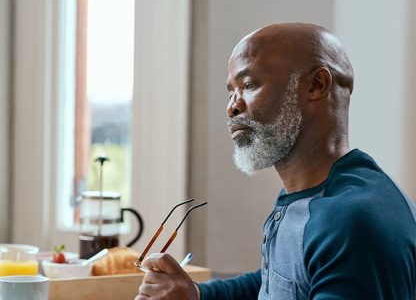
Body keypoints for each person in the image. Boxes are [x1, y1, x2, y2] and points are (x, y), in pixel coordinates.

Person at [135, 23, 416, 299]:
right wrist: (196, 294)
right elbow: (281, 283)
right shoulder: (308, 196)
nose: (232, 106)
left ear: (316, 85)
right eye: (230, 91)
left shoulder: (350, 220)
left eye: (248, 84)